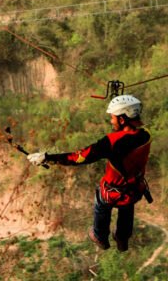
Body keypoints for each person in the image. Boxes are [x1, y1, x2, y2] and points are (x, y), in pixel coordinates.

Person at [27, 94, 151, 252]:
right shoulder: (146, 135)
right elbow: (127, 140)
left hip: (113, 192)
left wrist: (47, 158)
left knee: (102, 201)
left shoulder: (111, 142)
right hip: (135, 188)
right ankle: (122, 238)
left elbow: (79, 157)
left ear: (122, 119)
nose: (111, 121)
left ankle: (100, 237)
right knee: (127, 206)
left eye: (113, 118)